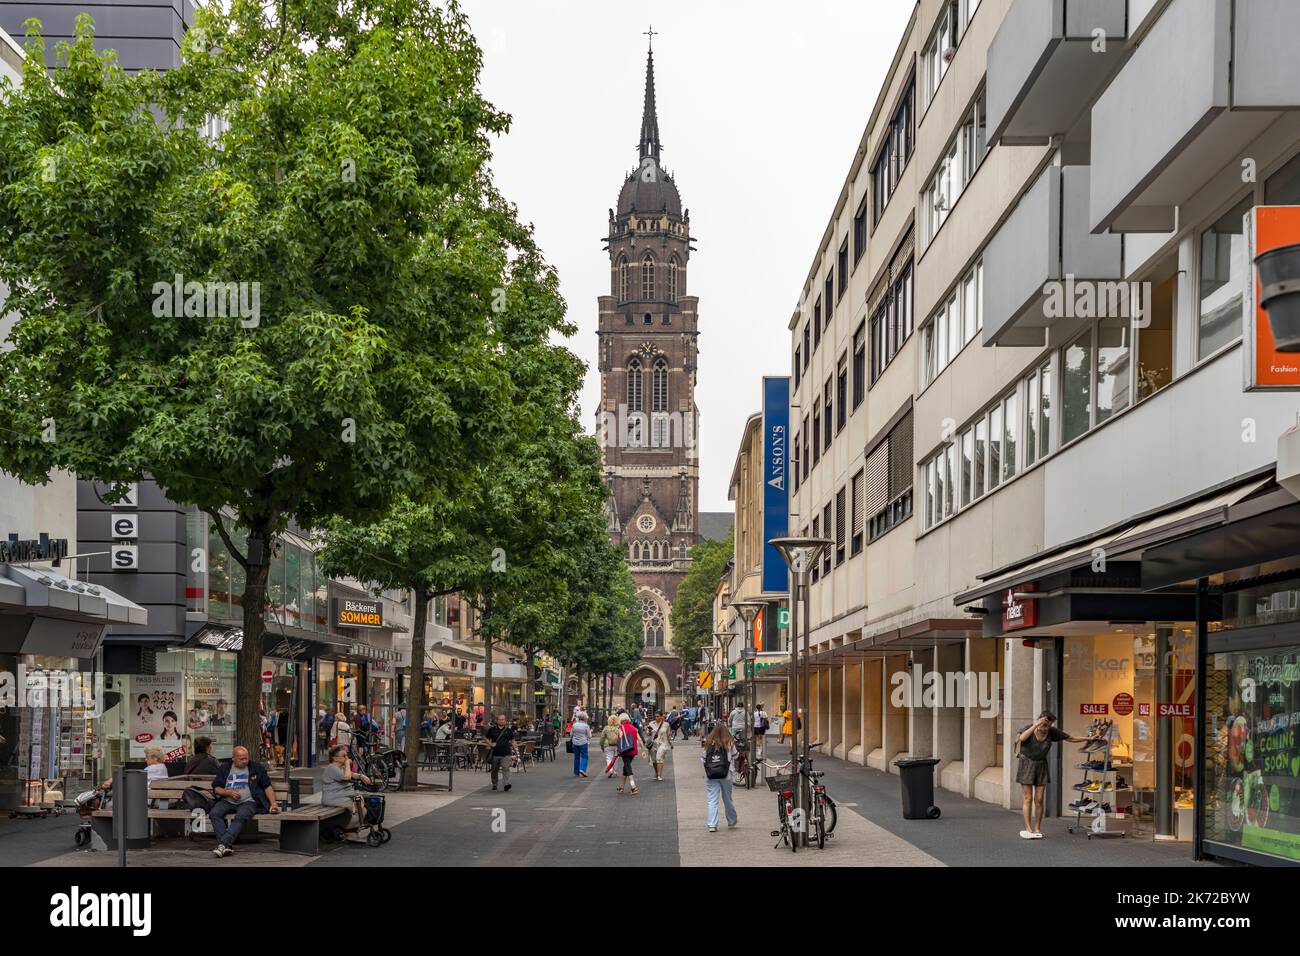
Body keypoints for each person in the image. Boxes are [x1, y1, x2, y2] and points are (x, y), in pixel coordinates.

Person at [1015, 710, 1093, 839]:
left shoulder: (1052, 732)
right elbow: (1022, 738)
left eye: (1049, 725)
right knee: (1028, 798)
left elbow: (1071, 738)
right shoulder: (1028, 728)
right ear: (1039, 720)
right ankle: (1028, 828)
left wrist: (1089, 738)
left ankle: (1037, 828)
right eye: (1045, 725)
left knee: (1039, 799)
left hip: (1041, 765)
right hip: (1026, 764)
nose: (1046, 728)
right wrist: (1036, 725)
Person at [209, 745, 279, 858]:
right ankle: (226, 846)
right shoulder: (225, 768)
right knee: (214, 814)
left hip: (249, 801)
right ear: (233, 758)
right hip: (227, 800)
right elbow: (216, 788)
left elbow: (267, 786)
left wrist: (273, 804)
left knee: (241, 815)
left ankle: (223, 844)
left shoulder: (256, 768)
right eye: (241, 759)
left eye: (246, 758)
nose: (245, 761)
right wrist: (228, 793)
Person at [322, 744, 372, 837]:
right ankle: (349, 830)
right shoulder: (331, 768)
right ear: (335, 758)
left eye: (347, 755)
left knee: (362, 808)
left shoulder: (340, 767)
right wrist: (347, 764)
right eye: (344, 756)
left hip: (342, 796)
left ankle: (352, 829)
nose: (347, 757)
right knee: (358, 807)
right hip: (333, 798)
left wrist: (361, 776)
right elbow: (346, 777)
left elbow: (352, 774)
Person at [700, 724, 740, 832]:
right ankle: (732, 820)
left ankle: (712, 824)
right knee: (727, 798)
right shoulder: (729, 742)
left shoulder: (708, 742)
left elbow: (703, 759)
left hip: (711, 775)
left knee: (712, 799)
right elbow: (736, 755)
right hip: (726, 774)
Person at [486, 714, 515, 792]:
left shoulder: (509, 730)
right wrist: (491, 744)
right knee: (494, 770)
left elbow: (512, 740)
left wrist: (515, 749)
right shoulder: (492, 729)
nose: (501, 721)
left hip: (506, 753)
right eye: (500, 719)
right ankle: (495, 784)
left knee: (506, 769)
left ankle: (506, 784)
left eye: (503, 719)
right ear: (497, 720)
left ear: (505, 721)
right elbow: (486, 738)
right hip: (495, 753)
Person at [614, 712, 640, 795]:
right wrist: (643, 750)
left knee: (628, 768)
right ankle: (621, 786)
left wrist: (616, 750)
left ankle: (633, 787)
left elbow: (617, 739)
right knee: (626, 767)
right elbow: (639, 739)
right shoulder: (633, 728)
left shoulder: (620, 728)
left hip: (625, 751)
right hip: (632, 750)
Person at [648, 711, 672, 782]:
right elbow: (647, 732)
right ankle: (656, 772)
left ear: (662, 716)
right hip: (654, 743)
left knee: (659, 757)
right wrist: (648, 731)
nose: (656, 718)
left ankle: (659, 775)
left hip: (663, 743)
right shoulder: (651, 724)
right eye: (655, 716)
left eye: (658, 716)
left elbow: (668, 735)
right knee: (654, 760)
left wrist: (670, 744)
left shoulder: (666, 724)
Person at [570, 713, 591, 777]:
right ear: (584, 718)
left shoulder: (574, 725)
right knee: (584, 756)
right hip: (583, 742)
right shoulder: (586, 726)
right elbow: (589, 736)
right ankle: (582, 769)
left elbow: (571, 734)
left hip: (575, 743)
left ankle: (576, 772)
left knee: (576, 757)